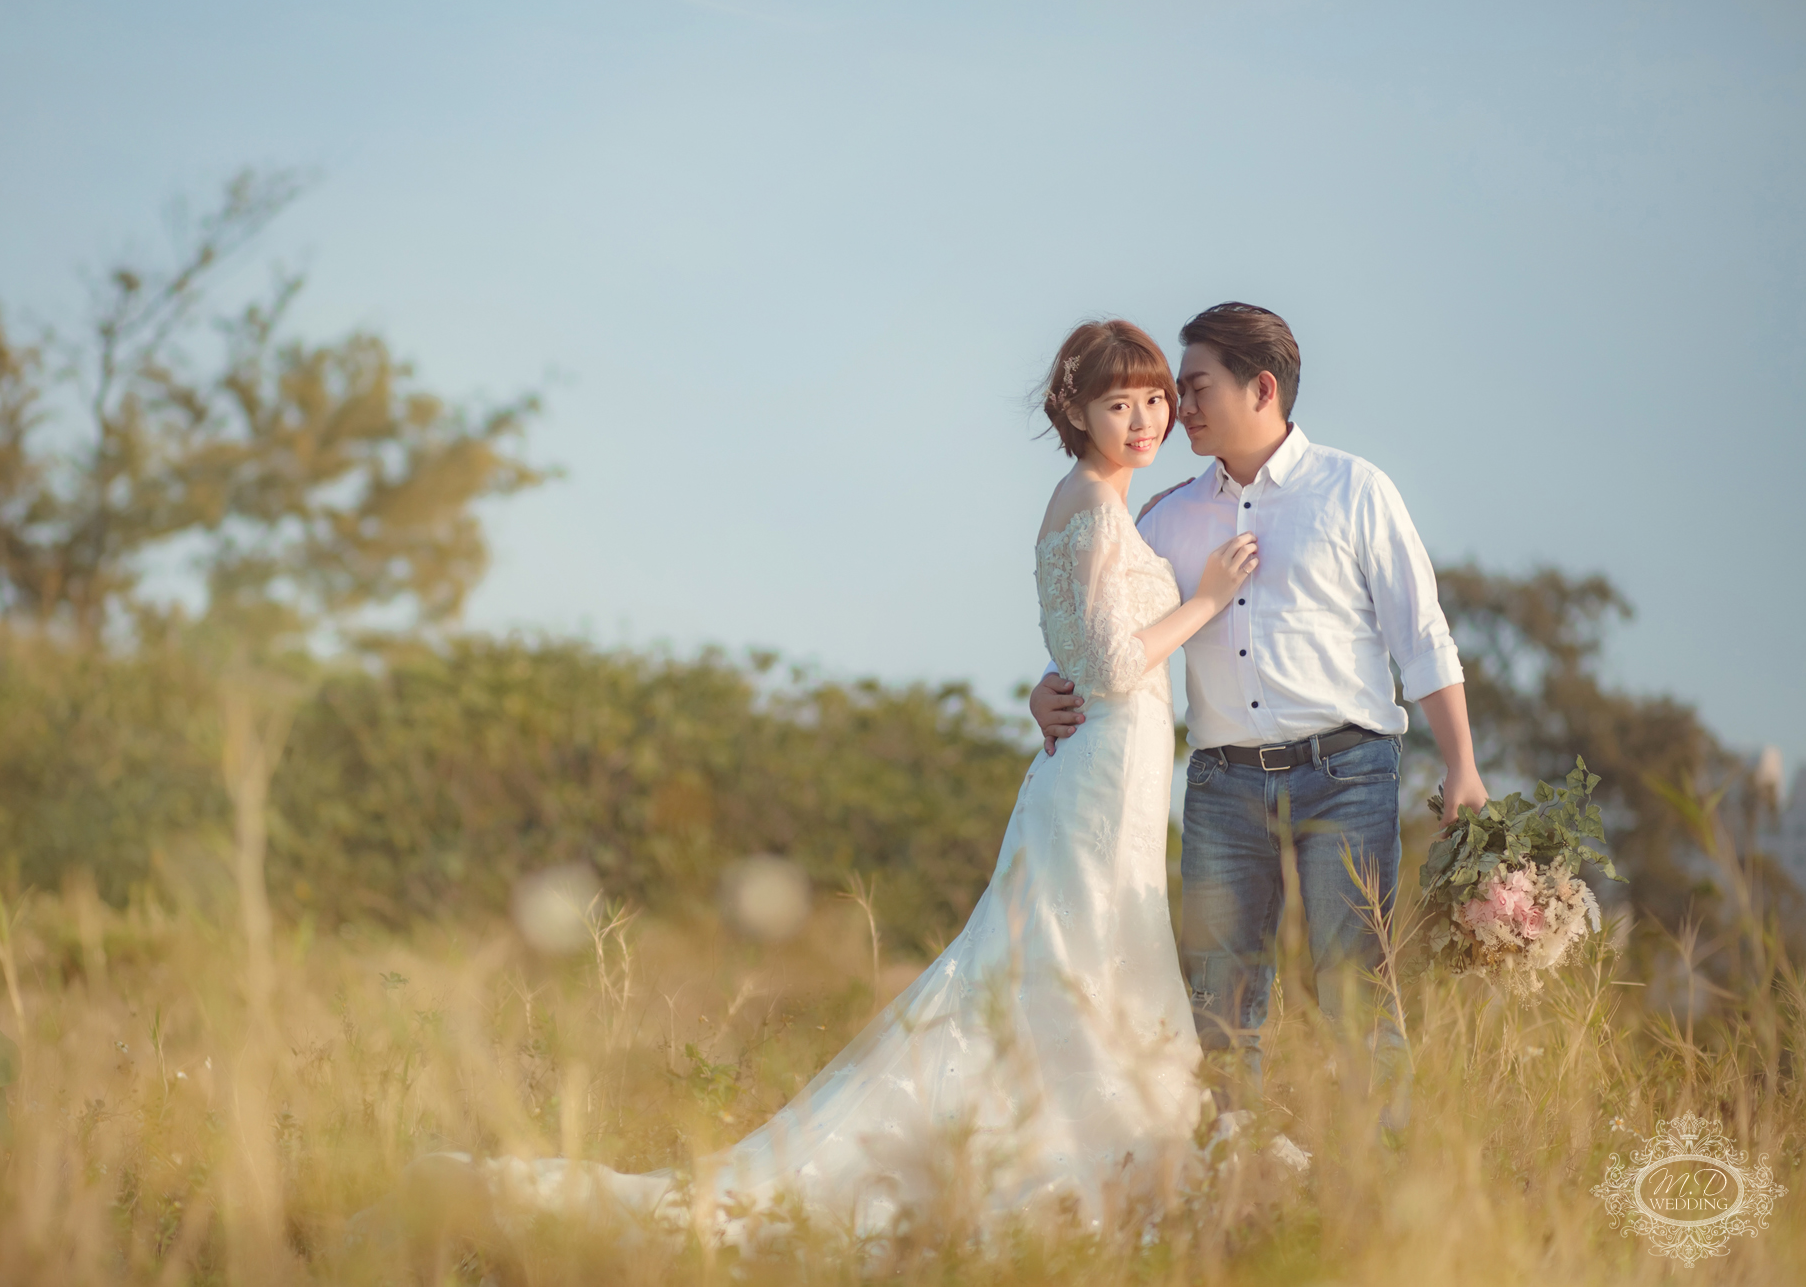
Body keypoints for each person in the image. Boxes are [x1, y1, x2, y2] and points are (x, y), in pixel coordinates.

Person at [390, 320, 1259, 1249]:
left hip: (1117, 769)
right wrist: (1204, 601)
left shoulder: (1115, 507)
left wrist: (1052, 683)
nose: (1142, 417)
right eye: (1118, 402)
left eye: (1155, 398)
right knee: (1063, 949)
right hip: (1095, 768)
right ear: (1076, 411)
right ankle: (1059, 1153)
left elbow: (1081, 655)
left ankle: (1104, 1140)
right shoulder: (1084, 501)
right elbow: (1112, 662)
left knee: (1100, 944)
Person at [1030, 302, 1489, 1129]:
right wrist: (1046, 685)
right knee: (1219, 1000)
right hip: (1222, 784)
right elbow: (1107, 626)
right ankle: (1228, 1176)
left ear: (1262, 387)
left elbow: (1421, 633)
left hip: (1347, 773)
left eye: (1194, 388)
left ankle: (1379, 1180)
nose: (1180, 409)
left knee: (1354, 985)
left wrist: (1462, 763)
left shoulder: (1354, 489)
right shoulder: (1166, 515)